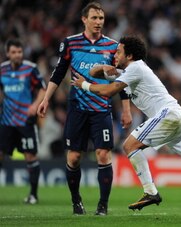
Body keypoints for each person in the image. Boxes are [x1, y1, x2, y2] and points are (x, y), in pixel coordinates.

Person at [71, 35, 181, 211]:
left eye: (118, 52)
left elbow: (108, 91)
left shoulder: (135, 67)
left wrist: (84, 85)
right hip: (180, 117)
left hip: (168, 115)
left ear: (130, 56)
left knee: (130, 145)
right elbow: (94, 72)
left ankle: (150, 191)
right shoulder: (126, 73)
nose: (114, 55)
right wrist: (105, 67)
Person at [37, 2, 132, 215]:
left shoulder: (112, 46)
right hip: (77, 108)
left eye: (101, 19)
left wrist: (126, 110)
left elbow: (121, 80)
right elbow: (58, 73)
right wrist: (45, 100)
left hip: (101, 109)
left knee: (103, 155)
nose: (98, 22)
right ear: (84, 19)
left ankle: (103, 206)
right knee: (74, 158)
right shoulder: (71, 43)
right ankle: (76, 201)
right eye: (94, 18)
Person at [0, 39, 46, 204]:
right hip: (6, 120)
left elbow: (43, 88)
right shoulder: (2, 70)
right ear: (8, 53)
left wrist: (35, 105)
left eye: (19, 52)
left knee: (30, 156)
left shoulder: (30, 69)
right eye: (14, 52)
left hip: (25, 121)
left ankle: (33, 195)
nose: (17, 55)